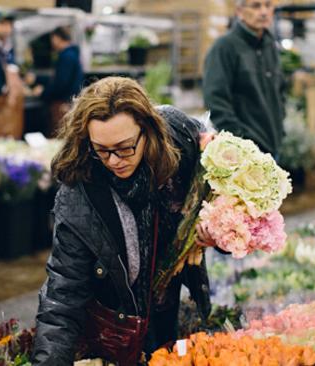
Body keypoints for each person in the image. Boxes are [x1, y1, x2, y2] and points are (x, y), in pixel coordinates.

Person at [30, 77, 213, 366]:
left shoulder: (179, 138)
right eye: (101, 150)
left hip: (172, 300)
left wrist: (217, 231)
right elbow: (64, 292)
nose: (114, 161)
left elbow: (226, 195)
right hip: (118, 319)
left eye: (125, 147)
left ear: (147, 130)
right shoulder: (80, 193)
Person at [202, 0, 285, 157]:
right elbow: (216, 100)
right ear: (239, 12)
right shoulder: (224, 47)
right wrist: (240, 141)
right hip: (245, 152)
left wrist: (280, 131)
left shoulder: (270, 45)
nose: (263, 12)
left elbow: (280, 91)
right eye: (256, 6)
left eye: (268, 5)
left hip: (272, 147)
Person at [27, 26, 84, 137]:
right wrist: (38, 79)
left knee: (60, 138)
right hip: (69, 102)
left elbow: (61, 84)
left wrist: (42, 92)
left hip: (63, 105)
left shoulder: (66, 56)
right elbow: (60, 79)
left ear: (57, 38)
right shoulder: (72, 54)